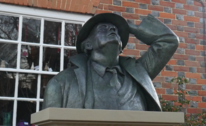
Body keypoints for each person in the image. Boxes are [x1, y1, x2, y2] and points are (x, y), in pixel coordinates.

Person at [43, 13, 179, 111]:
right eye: (103, 28)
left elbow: (169, 41)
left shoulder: (139, 72)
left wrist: (133, 29)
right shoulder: (61, 84)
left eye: (116, 30)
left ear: (120, 47)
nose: (113, 29)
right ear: (88, 45)